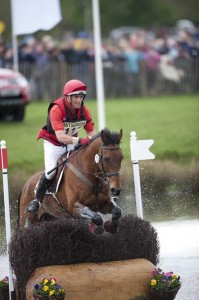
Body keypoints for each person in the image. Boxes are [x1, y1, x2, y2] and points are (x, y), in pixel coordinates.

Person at [27, 79, 96, 214]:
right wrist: (82, 141)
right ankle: (37, 199)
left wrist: (93, 143)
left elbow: (91, 133)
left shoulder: (84, 110)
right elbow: (60, 137)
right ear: (68, 97)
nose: (79, 100)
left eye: (81, 97)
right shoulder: (56, 109)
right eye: (76, 97)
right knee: (52, 171)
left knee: (82, 165)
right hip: (54, 143)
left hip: (71, 143)